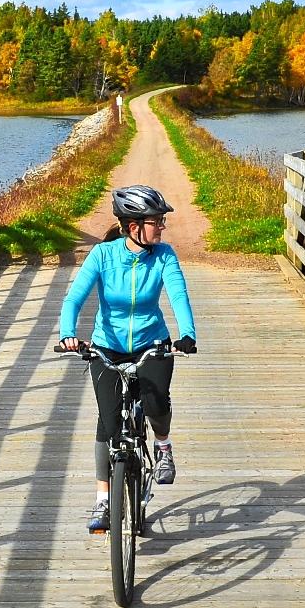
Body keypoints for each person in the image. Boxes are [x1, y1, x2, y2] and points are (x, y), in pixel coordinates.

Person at [58, 184, 198, 533]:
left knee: (154, 404)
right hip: (107, 346)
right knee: (107, 422)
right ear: (134, 226)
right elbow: (74, 298)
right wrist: (67, 333)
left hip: (152, 343)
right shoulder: (103, 256)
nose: (163, 227)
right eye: (157, 221)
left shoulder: (164, 255)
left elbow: (178, 294)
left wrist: (188, 334)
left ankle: (163, 447)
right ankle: (104, 500)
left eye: (162, 221)